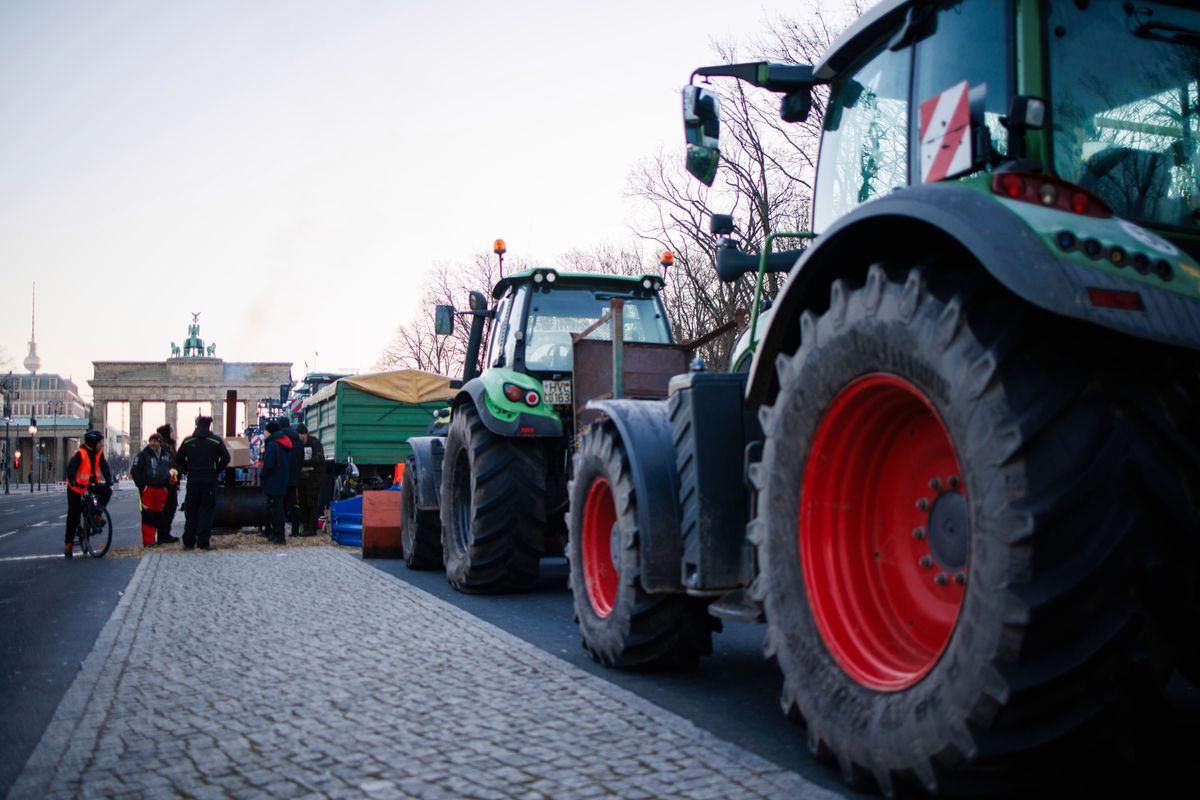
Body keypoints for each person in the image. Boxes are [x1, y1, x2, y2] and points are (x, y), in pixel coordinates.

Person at [173, 415, 231, 551]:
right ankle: (203, 542)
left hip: (193, 480)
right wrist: (217, 471)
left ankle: (188, 542)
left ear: (197, 425)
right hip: (209, 480)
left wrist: (187, 470)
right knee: (206, 511)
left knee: (191, 511)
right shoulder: (215, 441)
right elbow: (226, 458)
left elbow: (177, 458)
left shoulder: (188, 441)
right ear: (209, 426)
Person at [64, 430, 113, 558]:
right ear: (93, 441)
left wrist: (109, 480)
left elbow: (104, 467)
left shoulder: (98, 454)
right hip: (76, 487)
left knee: (107, 491)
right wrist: (73, 480)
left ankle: (96, 514)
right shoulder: (80, 453)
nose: (102, 444)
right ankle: (68, 544)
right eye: (100, 442)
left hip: (91, 484)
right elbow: (71, 469)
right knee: (73, 514)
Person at [131, 432, 176, 547]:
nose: (152, 443)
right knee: (147, 516)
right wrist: (142, 487)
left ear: (160, 442)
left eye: (155, 441)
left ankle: (160, 538)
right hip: (148, 490)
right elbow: (135, 471)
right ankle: (149, 542)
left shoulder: (166, 455)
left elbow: (171, 469)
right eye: (151, 440)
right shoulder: (142, 455)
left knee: (159, 515)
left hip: (162, 490)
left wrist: (169, 484)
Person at [260, 419, 291, 545]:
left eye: (265, 430)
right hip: (281, 480)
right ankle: (276, 534)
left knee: (276, 510)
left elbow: (268, 465)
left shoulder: (272, 445)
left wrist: (262, 474)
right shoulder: (282, 443)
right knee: (277, 509)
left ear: (270, 432)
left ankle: (279, 536)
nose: (264, 433)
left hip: (274, 481)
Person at [296, 423, 325, 536]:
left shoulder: (315, 443)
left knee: (311, 503)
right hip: (303, 478)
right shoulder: (300, 444)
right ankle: (306, 527)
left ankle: (311, 528)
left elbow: (319, 458)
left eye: (301, 435)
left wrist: (306, 462)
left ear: (304, 434)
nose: (300, 438)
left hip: (313, 479)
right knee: (303, 503)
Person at [155, 424, 180, 543]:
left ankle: (165, 533)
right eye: (171, 432)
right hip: (166, 482)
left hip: (171, 481)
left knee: (171, 506)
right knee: (168, 507)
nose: (173, 434)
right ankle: (163, 534)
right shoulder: (164, 448)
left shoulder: (168, 446)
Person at [280, 418, 304, 537]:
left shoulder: (280, 439)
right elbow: (301, 459)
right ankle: (295, 531)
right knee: (294, 504)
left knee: (280, 504)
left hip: (282, 477)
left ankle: (280, 531)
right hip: (294, 477)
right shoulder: (298, 440)